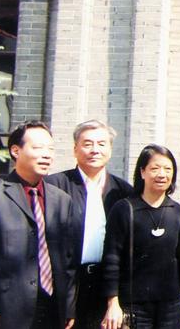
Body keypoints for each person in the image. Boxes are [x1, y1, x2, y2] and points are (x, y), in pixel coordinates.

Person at [0, 120, 77, 329]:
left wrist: (69, 306)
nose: (47, 154)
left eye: (50, 149)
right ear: (16, 150)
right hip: (9, 309)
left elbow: (68, 260)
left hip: (53, 307)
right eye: (38, 148)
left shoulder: (61, 200)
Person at [47, 120, 133, 329]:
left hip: (106, 285)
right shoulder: (54, 186)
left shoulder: (123, 192)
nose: (95, 150)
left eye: (102, 144)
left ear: (110, 149)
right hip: (65, 283)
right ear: (75, 149)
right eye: (87, 144)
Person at [101, 144, 180, 329]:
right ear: (142, 172)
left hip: (170, 307)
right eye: (155, 168)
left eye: (168, 169)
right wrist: (112, 303)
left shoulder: (178, 212)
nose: (162, 174)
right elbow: (112, 257)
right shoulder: (124, 209)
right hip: (134, 306)